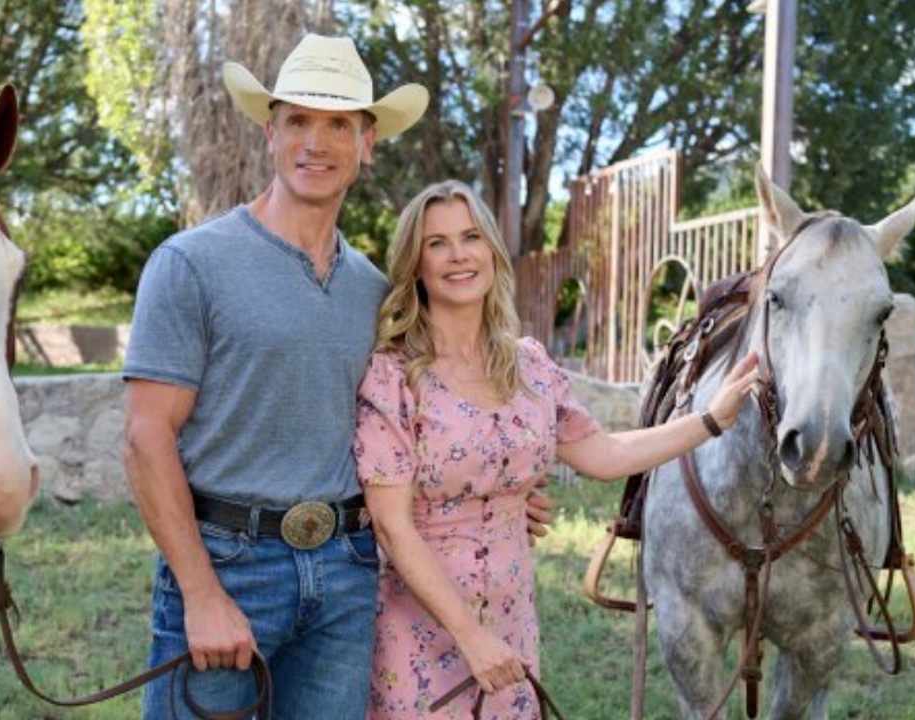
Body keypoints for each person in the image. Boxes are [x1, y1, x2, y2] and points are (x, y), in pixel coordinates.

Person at [353, 180, 760, 719]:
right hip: (419, 625)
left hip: (511, 616)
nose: (458, 255)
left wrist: (710, 419)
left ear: (492, 251)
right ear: (415, 263)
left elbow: (604, 453)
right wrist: (470, 637)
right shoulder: (393, 374)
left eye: (471, 236)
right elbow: (391, 527)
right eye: (437, 243)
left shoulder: (529, 366)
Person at [120, 34, 430, 719]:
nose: (315, 143)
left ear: (366, 143)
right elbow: (146, 439)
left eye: (337, 125)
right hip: (227, 566)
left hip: (346, 576)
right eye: (297, 121)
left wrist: (509, 489)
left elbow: (409, 430)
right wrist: (201, 594)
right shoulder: (190, 264)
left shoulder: (374, 292)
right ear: (270, 132)